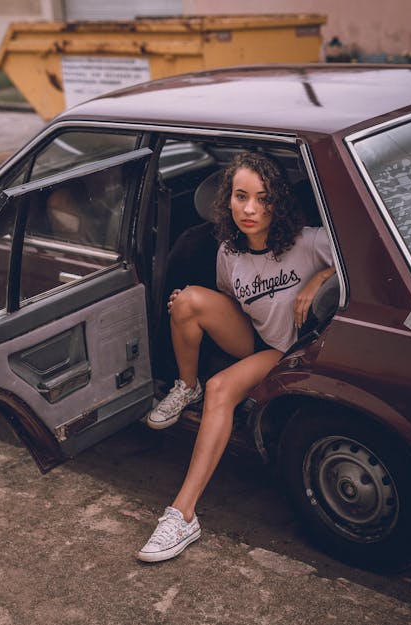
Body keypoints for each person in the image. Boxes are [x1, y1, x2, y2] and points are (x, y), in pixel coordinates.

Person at [138, 152, 335, 563]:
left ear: (277, 201)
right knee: (188, 299)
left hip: (291, 350)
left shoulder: (309, 241)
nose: (250, 209)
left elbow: (359, 251)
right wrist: (194, 307)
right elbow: (233, 302)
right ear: (227, 200)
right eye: (240, 196)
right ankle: (184, 387)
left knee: (221, 388)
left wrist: (320, 276)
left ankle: (182, 514)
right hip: (258, 339)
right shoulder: (228, 251)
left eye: (263, 198)